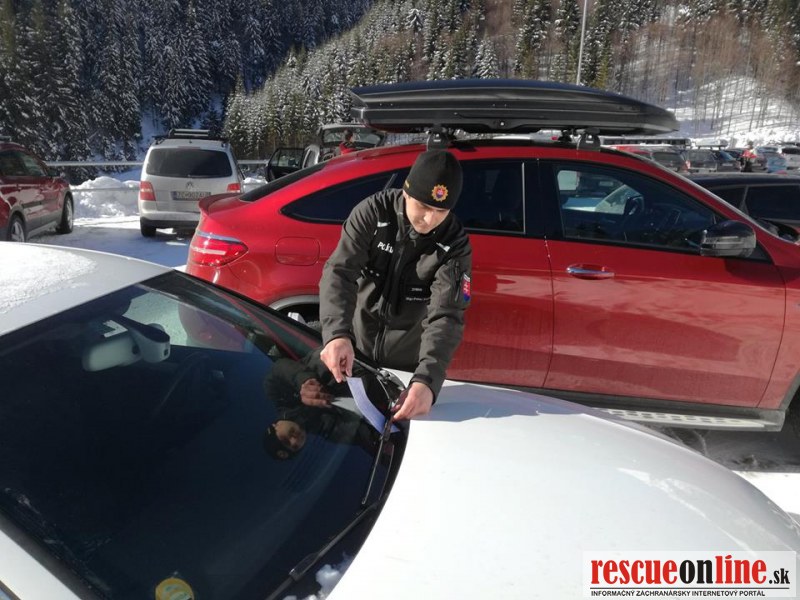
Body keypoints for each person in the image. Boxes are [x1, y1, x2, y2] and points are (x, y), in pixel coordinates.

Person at [318, 149, 473, 421]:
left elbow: (447, 314)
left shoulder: (454, 243)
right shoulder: (373, 213)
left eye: (441, 211)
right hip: (355, 354)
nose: (430, 219)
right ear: (407, 193)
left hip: (404, 369)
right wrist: (337, 334)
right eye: (423, 206)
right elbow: (340, 273)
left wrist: (427, 380)